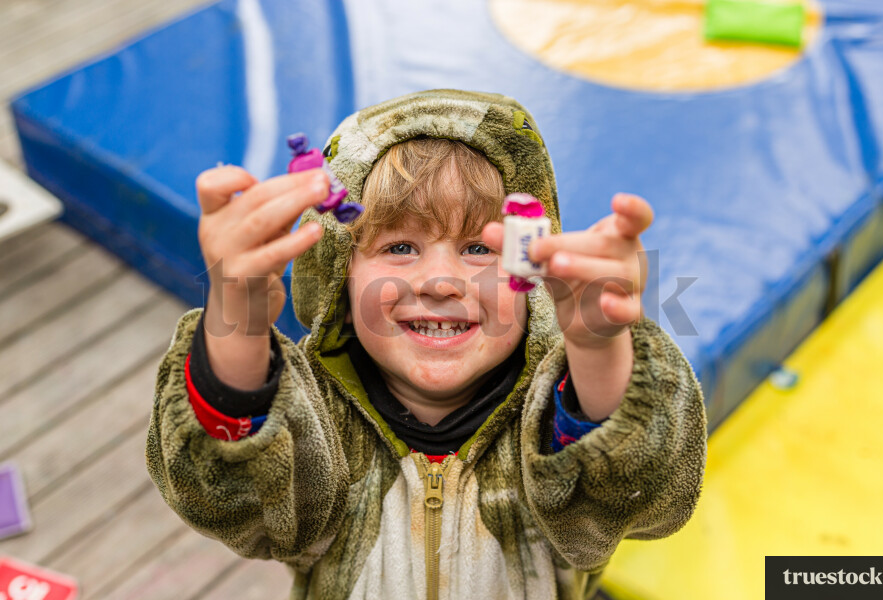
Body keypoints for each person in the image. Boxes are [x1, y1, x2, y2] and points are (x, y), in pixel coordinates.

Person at [146, 89, 707, 599]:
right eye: (399, 248)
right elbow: (231, 497)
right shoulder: (313, 420)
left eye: (479, 249)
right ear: (340, 277)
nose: (440, 282)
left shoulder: (556, 416)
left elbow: (639, 495)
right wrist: (238, 316)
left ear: (529, 270)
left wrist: (599, 347)